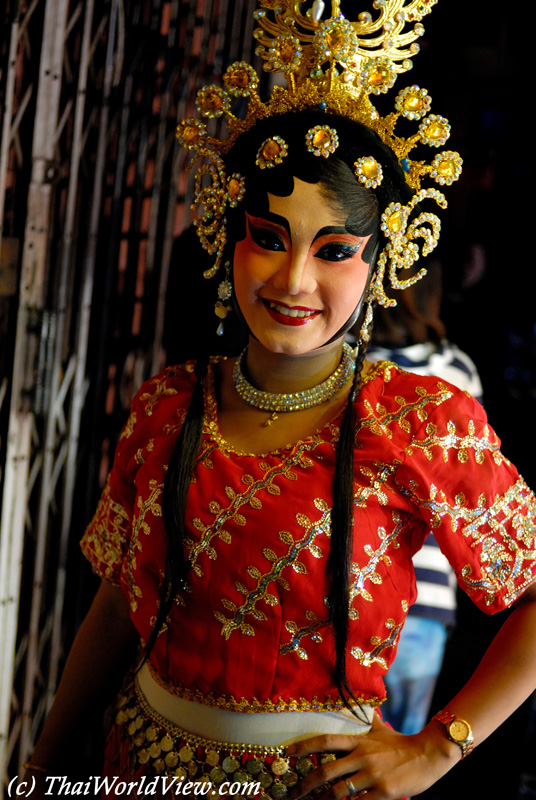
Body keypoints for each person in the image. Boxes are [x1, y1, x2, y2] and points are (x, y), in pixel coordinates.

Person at [24, 3, 536, 800]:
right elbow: (119, 604)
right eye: (268, 236)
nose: (293, 281)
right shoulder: (167, 406)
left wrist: (441, 746)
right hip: (135, 771)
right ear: (227, 236)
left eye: (333, 252)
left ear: (381, 264)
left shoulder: (421, 422)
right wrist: (45, 767)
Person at [359, 260, 484, 736]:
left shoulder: (349, 364)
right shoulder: (458, 371)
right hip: (429, 594)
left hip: (355, 589)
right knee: (400, 747)